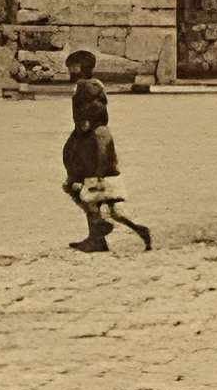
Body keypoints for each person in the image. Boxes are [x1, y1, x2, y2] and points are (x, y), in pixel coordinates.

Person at [61, 49, 151, 253]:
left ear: (79, 68)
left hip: (91, 145)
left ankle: (97, 233)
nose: (70, 71)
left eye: (72, 67)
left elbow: (85, 121)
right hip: (101, 140)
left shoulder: (83, 88)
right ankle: (137, 230)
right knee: (109, 201)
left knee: (82, 188)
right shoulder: (97, 85)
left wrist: (79, 146)